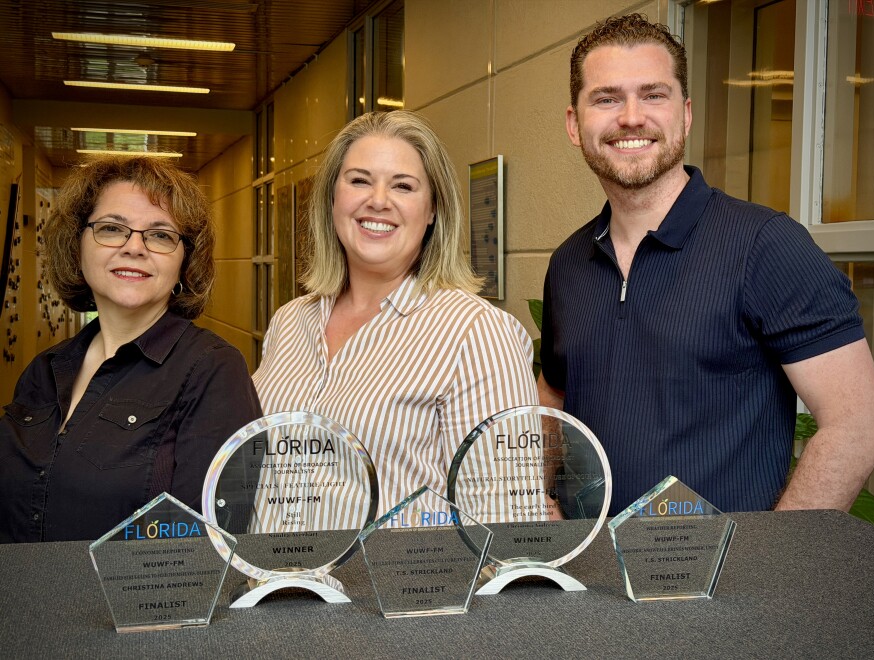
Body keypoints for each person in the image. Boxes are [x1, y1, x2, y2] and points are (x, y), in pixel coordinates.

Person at [539, 14, 874, 516]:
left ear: (686, 113)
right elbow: (555, 391)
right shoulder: (568, 262)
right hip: (585, 580)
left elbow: (857, 422)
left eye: (654, 95)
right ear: (574, 123)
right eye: (607, 98)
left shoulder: (766, 245)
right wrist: (546, 496)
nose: (631, 117)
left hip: (725, 586)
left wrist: (765, 563)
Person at [252, 110, 538, 523]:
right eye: (359, 180)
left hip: (392, 587)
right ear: (332, 198)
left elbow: (504, 519)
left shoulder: (477, 332)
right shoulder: (290, 321)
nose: (378, 200)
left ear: (433, 210)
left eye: (403, 186)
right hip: (271, 583)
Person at [0, 156, 262, 542]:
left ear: (184, 262)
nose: (134, 247)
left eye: (160, 235)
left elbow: (210, 550)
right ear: (77, 245)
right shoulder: (45, 369)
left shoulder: (214, 371)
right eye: (111, 228)